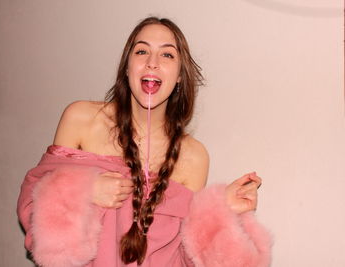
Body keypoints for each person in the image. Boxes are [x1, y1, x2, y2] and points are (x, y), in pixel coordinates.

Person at [17, 17, 271, 267]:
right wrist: (85, 191)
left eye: (167, 55)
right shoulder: (81, 119)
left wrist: (220, 210)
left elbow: (182, 257)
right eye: (141, 51)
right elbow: (34, 216)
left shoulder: (194, 156)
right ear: (127, 67)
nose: (152, 63)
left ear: (180, 76)